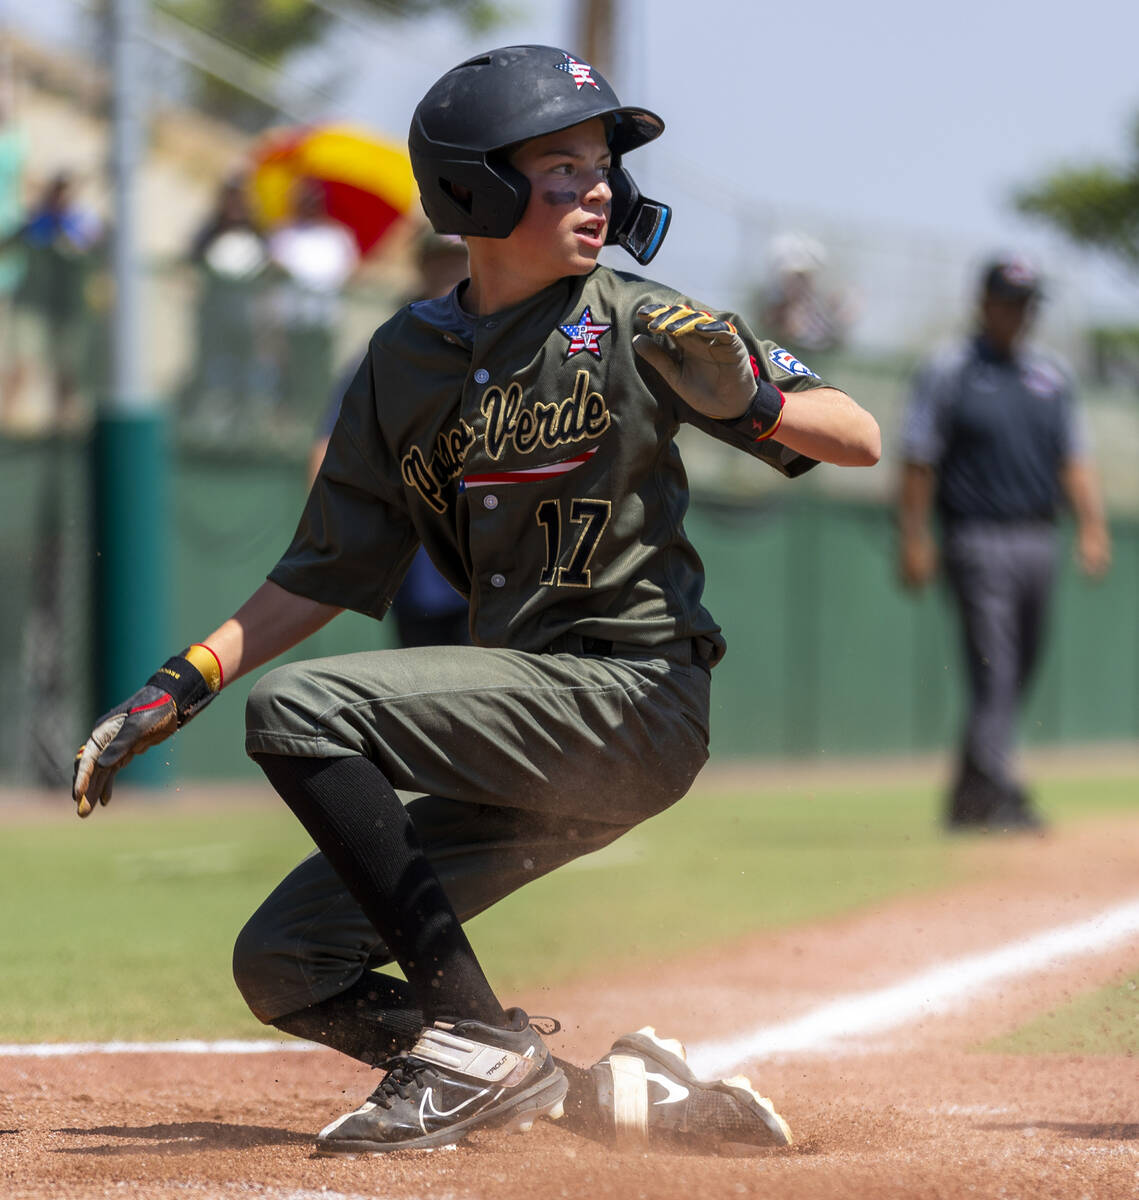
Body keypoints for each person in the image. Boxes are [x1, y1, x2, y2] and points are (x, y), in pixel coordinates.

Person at [72, 45, 880, 1156]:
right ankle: (593, 1095)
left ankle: (470, 1043)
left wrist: (749, 398)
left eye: (601, 166)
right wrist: (183, 680)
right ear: (471, 188)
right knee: (285, 963)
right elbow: (320, 567)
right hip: (527, 726)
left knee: (306, 712)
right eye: (560, 167)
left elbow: (856, 435)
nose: (597, 188)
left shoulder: (640, 319)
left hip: (630, 695)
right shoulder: (404, 358)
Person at [898, 258, 1111, 832]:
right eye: (1009, 301)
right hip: (976, 538)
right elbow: (919, 456)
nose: (1019, 313)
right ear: (985, 303)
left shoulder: (1051, 375)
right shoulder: (949, 369)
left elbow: (1074, 458)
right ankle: (999, 790)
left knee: (1019, 670)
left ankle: (968, 798)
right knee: (995, 668)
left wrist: (1092, 526)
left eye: (1027, 303)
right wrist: (914, 537)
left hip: (1038, 536)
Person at [308, 230, 473, 648]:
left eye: (459, 260)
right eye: (438, 260)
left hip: (493, 555)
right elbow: (330, 444)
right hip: (418, 558)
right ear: (420, 266)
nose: (448, 272)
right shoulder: (392, 348)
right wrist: (336, 530)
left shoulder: (506, 340)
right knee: (423, 694)